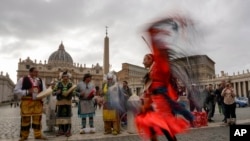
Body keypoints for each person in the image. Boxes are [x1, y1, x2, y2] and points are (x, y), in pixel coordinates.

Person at [13, 67, 48, 141]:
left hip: (37, 103)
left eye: (37, 72)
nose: (37, 73)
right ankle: (24, 135)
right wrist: (27, 91)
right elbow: (16, 90)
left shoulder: (40, 80)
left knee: (37, 119)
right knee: (25, 119)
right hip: (27, 102)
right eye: (35, 72)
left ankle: (38, 134)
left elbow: (44, 91)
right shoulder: (22, 79)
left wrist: (44, 95)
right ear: (30, 72)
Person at [53, 71, 74, 137]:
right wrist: (57, 92)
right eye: (64, 76)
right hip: (60, 101)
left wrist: (73, 93)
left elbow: (74, 92)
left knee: (68, 115)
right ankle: (60, 129)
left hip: (68, 101)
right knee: (59, 115)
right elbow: (53, 92)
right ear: (62, 77)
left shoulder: (70, 84)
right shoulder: (58, 84)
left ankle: (68, 130)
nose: (66, 77)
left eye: (67, 76)